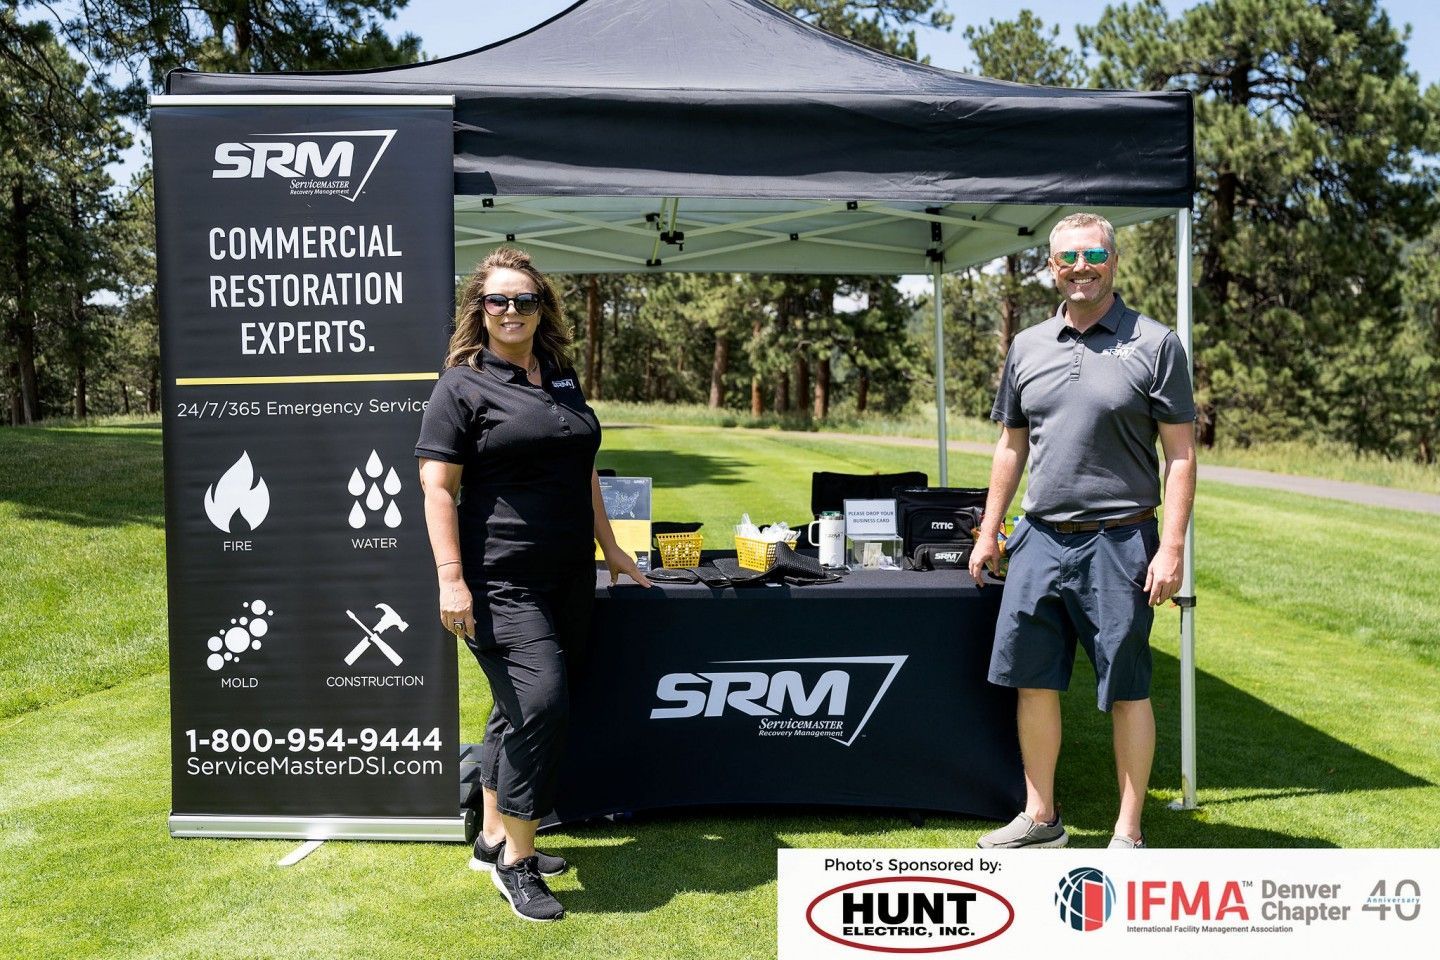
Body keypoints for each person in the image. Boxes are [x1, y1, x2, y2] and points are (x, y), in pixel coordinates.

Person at [416, 246, 650, 921]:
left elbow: (583, 472)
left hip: (567, 573)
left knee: (517, 707)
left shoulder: (562, 378)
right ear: (478, 310)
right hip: (498, 578)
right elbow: (437, 488)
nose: (512, 310)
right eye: (499, 300)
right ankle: (517, 862)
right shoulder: (460, 386)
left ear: (543, 307)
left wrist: (613, 551)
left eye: (525, 299)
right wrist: (451, 580)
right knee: (541, 703)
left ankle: (492, 833)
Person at [968, 212, 1196, 850]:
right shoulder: (1028, 347)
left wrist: (1172, 549)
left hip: (1121, 541)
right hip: (1038, 539)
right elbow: (1011, 446)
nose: (1080, 266)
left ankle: (1128, 832)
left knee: (1126, 685)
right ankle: (1042, 817)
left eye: (1093, 253)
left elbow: (1180, 456)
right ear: (1051, 267)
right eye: (1067, 257)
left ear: (1114, 261)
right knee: (1032, 680)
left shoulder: (1156, 344)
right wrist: (990, 531)